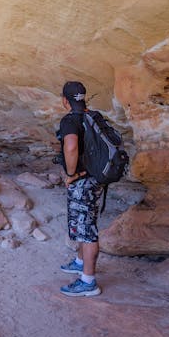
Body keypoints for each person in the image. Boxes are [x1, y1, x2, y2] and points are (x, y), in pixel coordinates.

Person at [57, 81, 104, 297]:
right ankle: (79, 261)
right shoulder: (94, 117)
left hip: (82, 181)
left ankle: (88, 282)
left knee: (87, 231)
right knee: (83, 222)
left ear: (65, 100)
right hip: (96, 179)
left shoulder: (70, 121)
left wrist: (71, 174)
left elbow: (71, 146)